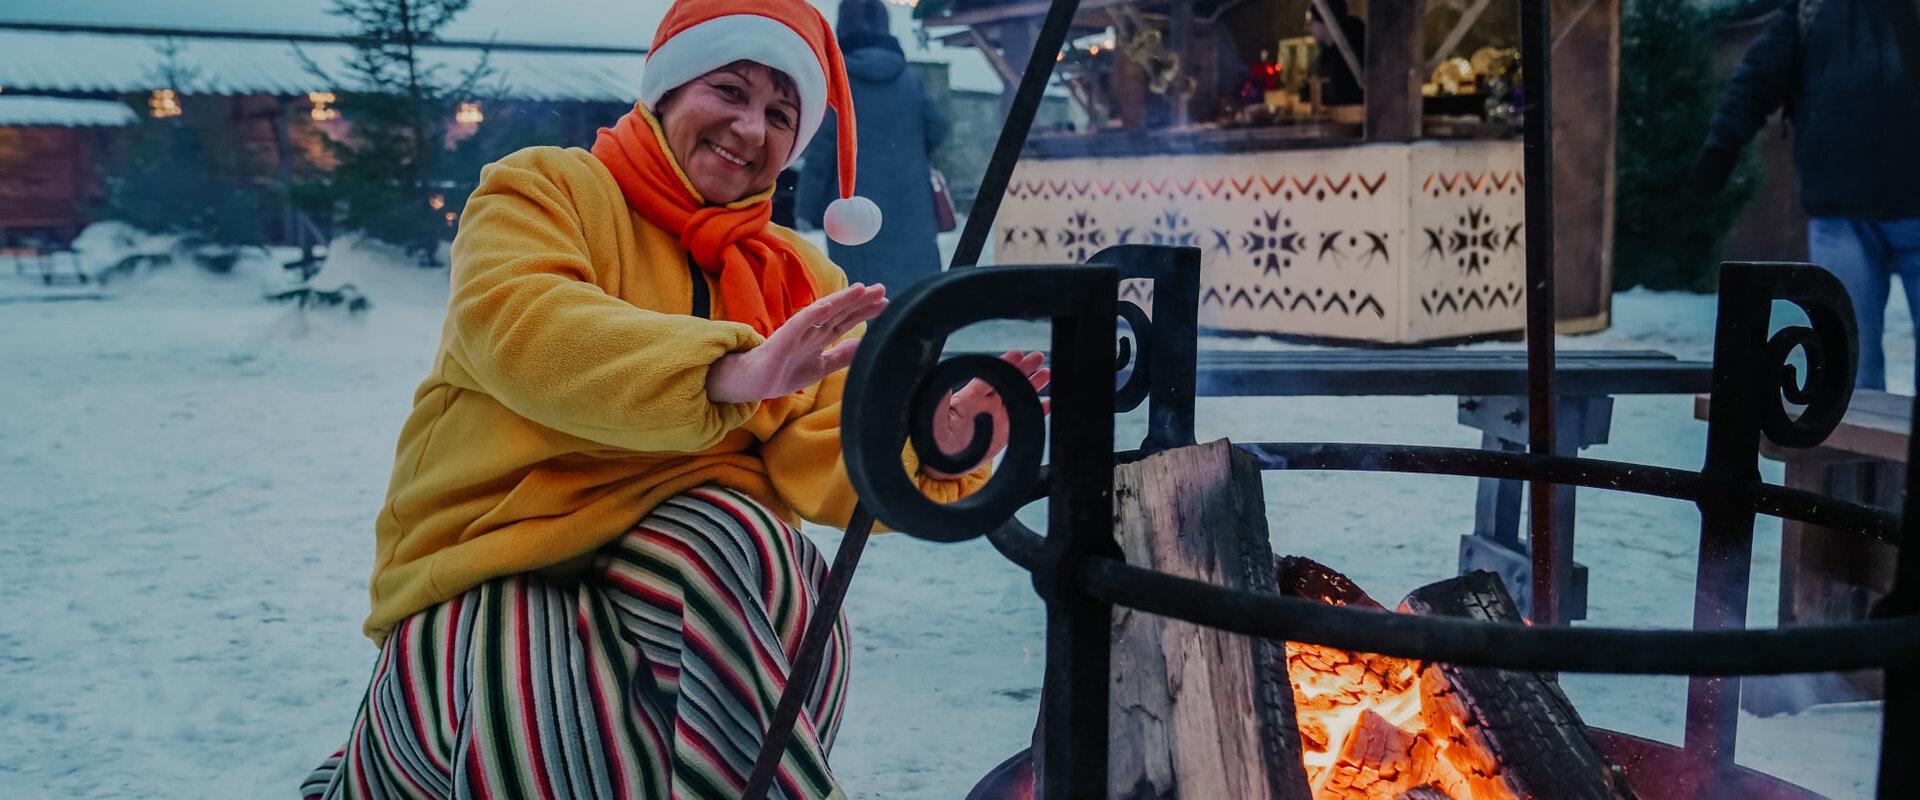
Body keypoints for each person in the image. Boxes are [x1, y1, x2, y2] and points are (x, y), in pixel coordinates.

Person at [300, 1, 1048, 797]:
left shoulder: (798, 276)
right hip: (497, 550)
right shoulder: (544, 189)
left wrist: (931, 437)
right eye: (729, 90)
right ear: (666, 89)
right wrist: (728, 372)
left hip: (688, 570)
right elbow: (520, 329)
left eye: (781, 113)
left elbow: (824, 443)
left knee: (745, 542)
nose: (752, 127)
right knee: (525, 658)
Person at [1687, 0, 1920, 390]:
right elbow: (1756, 79)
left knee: (1845, 356)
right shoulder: (1811, 7)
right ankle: (1850, 451)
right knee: (1846, 365)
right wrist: (1720, 151)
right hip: (1839, 211)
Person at [798, 0, 949, 290]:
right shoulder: (908, 79)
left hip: (857, 212)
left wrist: (806, 208)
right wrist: (913, 150)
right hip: (912, 204)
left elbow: (822, 151)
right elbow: (938, 126)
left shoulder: (840, 82)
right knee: (916, 295)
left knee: (863, 300)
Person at [1308, 0, 1367, 108]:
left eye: (1312, 22)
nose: (1309, 29)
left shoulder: (1353, 40)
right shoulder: (1326, 50)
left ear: (1325, 22)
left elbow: (1343, 90)